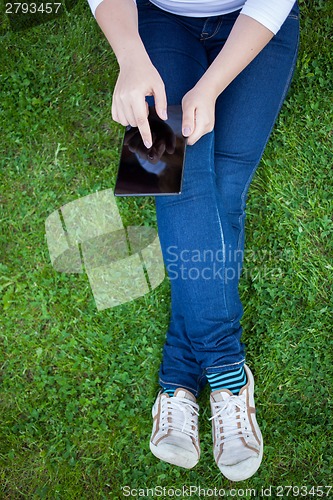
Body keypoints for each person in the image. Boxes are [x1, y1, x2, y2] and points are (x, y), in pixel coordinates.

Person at [86, 0, 300, 481]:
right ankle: (228, 372)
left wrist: (209, 87)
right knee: (169, 174)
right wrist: (130, 56)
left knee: (222, 189)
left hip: (256, 23)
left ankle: (180, 374)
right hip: (155, 19)